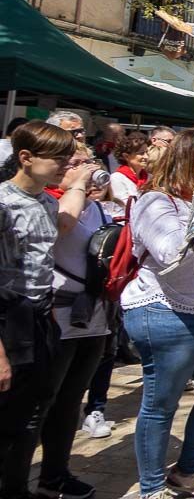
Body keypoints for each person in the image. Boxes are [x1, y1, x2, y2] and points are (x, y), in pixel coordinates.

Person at [122, 130, 194, 499]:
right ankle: (152, 488)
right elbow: (171, 252)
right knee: (161, 403)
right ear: (193, 163)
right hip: (165, 310)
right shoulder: (156, 202)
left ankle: (187, 471)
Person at [0, 122, 99, 499]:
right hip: (9, 324)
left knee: (28, 416)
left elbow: (62, 222)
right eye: (58, 158)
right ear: (25, 158)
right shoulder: (3, 204)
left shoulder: (43, 201)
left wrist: (78, 184)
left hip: (39, 323)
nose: (65, 165)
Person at [35, 142, 113, 499]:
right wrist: (79, 185)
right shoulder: (46, 201)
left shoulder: (97, 207)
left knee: (69, 402)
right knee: (39, 403)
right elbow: (60, 229)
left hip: (92, 317)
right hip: (56, 317)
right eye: (76, 163)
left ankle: (55, 474)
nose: (85, 169)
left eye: (89, 162)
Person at [109, 132, 149, 205]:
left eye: (147, 152)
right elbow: (124, 206)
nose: (146, 157)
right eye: (141, 153)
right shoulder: (117, 178)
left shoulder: (150, 177)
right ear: (126, 156)